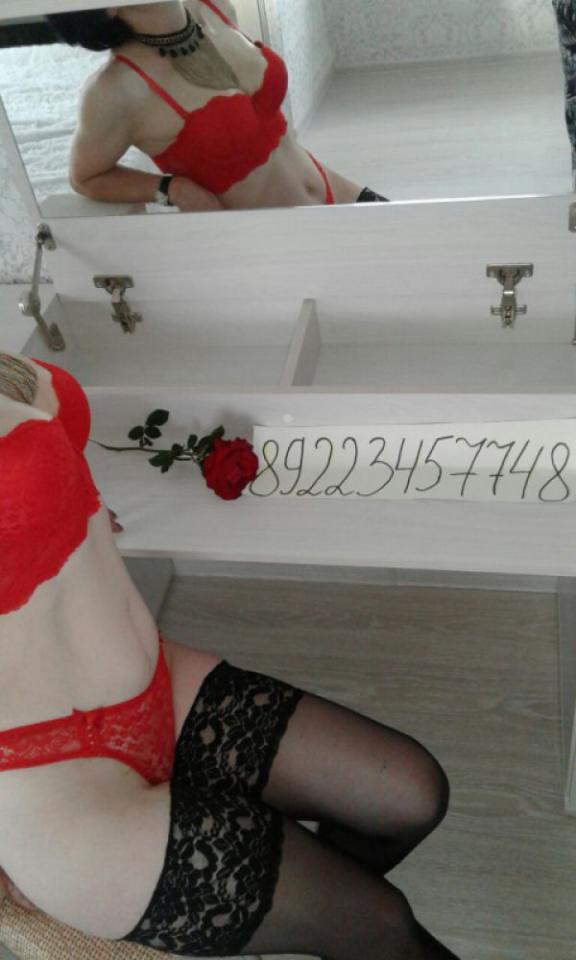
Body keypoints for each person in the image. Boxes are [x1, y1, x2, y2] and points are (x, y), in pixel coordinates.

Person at [0, 350, 461, 960]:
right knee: (382, 924)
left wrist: (58, 506)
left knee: (414, 794)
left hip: (156, 681)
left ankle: (305, 915)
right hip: (55, 778)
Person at [46, 1, 388, 212]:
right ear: (106, 6)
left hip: (340, 193)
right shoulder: (116, 91)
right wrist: (170, 189)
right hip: (279, 246)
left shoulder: (211, 7)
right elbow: (85, 177)